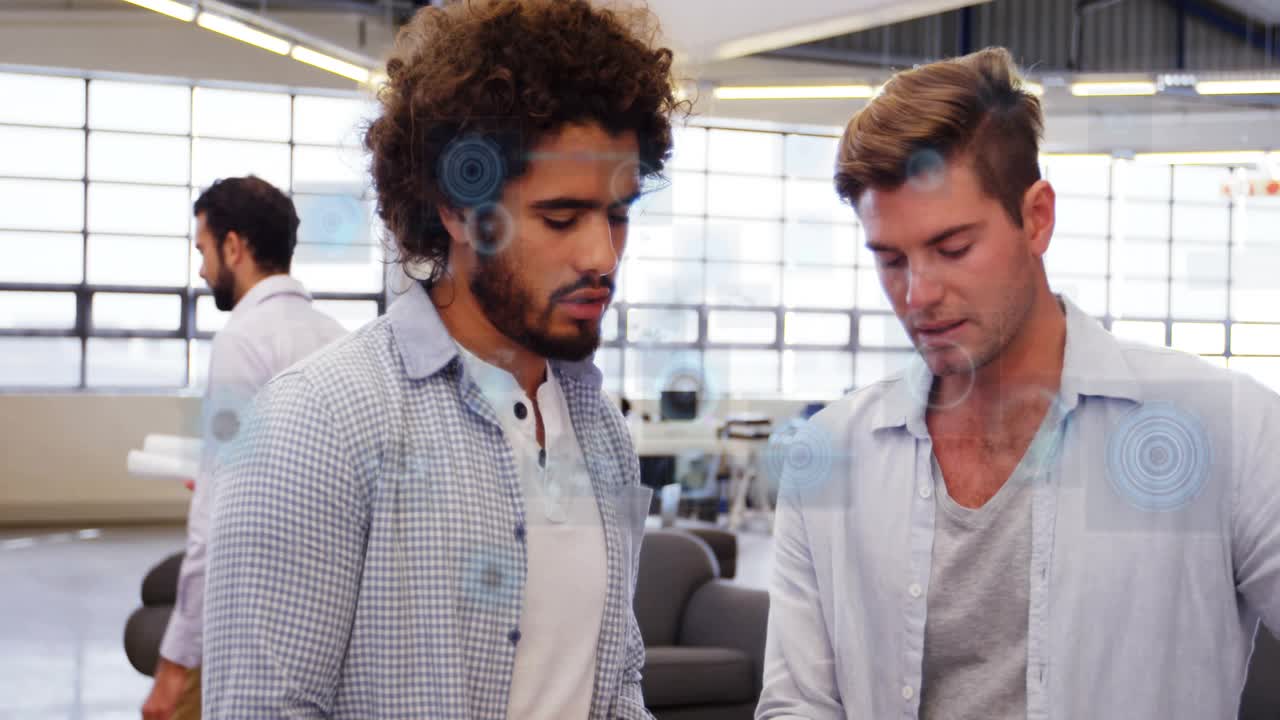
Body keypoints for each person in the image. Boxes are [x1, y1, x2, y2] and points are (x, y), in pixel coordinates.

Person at [757, 47, 1280, 719]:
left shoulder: (1226, 429)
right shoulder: (831, 453)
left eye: (952, 249)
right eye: (890, 260)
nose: (918, 294)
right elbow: (798, 704)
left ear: (1037, 218)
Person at [201, 1, 681, 718]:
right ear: (456, 209)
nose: (602, 256)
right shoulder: (319, 425)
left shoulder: (599, 432)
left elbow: (614, 681)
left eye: (618, 214)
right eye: (560, 217)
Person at [141, 176, 346, 720]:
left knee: (148, 633)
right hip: (324, 596)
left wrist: (175, 665)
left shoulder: (243, 341)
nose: (202, 270)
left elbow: (214, 519)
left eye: (203, 250)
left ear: (233, 246)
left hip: (260, 608)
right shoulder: (336, 335)